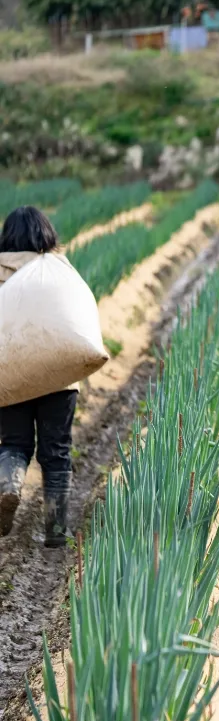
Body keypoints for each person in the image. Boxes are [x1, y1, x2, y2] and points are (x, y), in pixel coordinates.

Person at [0, 206, 81, 546]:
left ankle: (9, 486)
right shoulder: (61, 269)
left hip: (13, 372)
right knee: (57, 450)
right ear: (46, 234)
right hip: (59, 376)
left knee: (15, 443)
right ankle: (57, 531)